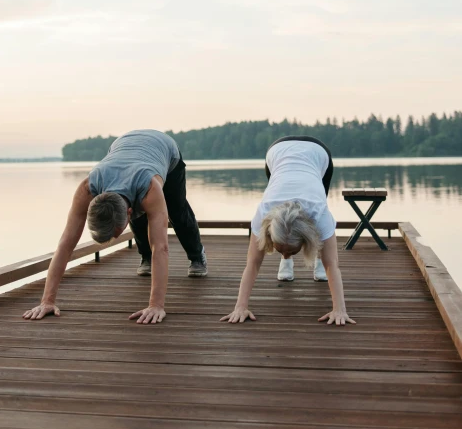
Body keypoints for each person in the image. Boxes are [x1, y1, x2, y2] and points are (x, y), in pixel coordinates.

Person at [23, 129, 207, 325]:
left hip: (165, 149)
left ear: (129, 212)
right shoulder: (87, 188)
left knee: (177, 211)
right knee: (136, 209)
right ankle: (144, 256)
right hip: (123, 144)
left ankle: (197, 257)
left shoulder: (150, 188)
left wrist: (156, 305)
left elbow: (161, 248)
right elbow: (65, 245)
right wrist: (47, 301)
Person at [221, 136, 355, 327]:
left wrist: (339, 309)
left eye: (291, 251)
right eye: (279, 250)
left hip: (318, 152)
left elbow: (332, 264)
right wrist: (240, 307)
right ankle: (286, 263)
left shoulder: (319, 212)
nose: (284, 251)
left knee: (326, 257)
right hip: (277, 152)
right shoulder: (264, 212)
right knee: (279, 218)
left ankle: (318, 255)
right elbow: (252, 263)